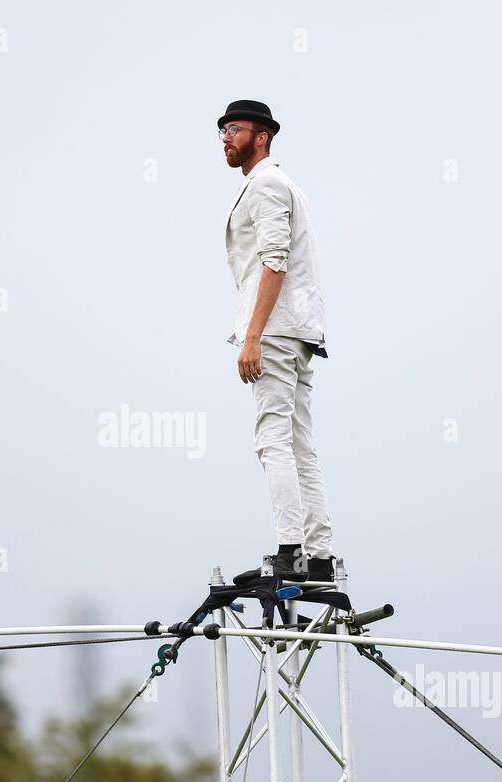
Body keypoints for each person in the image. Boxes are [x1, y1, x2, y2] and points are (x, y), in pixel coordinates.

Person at [219, 99, 337, 583]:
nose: (226, 137)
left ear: (261, 136)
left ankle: (289, 553)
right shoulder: (285, 184)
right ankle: (320, 554)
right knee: (299, 443)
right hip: (299, 329)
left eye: (235, 129)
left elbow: (274, 260)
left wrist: (251, 337)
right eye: (222, 129)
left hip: (275, 330)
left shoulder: (266, 183)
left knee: (272, 440)